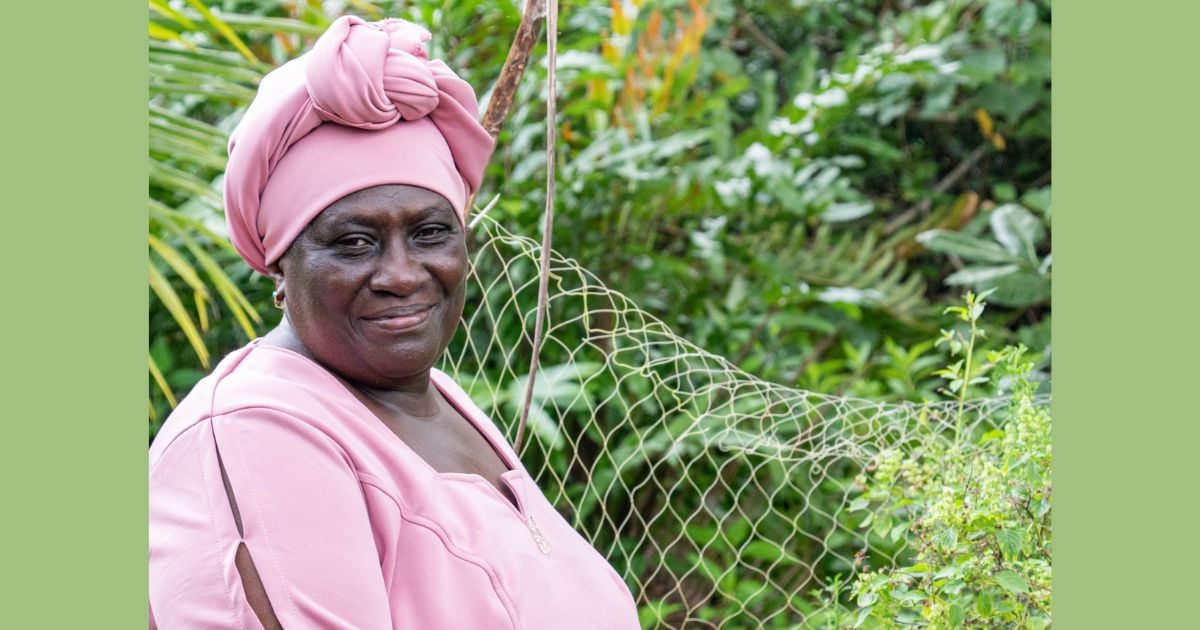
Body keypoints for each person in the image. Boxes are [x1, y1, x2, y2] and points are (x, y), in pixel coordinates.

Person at [148, 15, 640, 629]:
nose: (402, 274)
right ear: (279, 265)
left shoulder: (437, 400)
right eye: (353, 242)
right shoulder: (261, 430)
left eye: (430, 232)